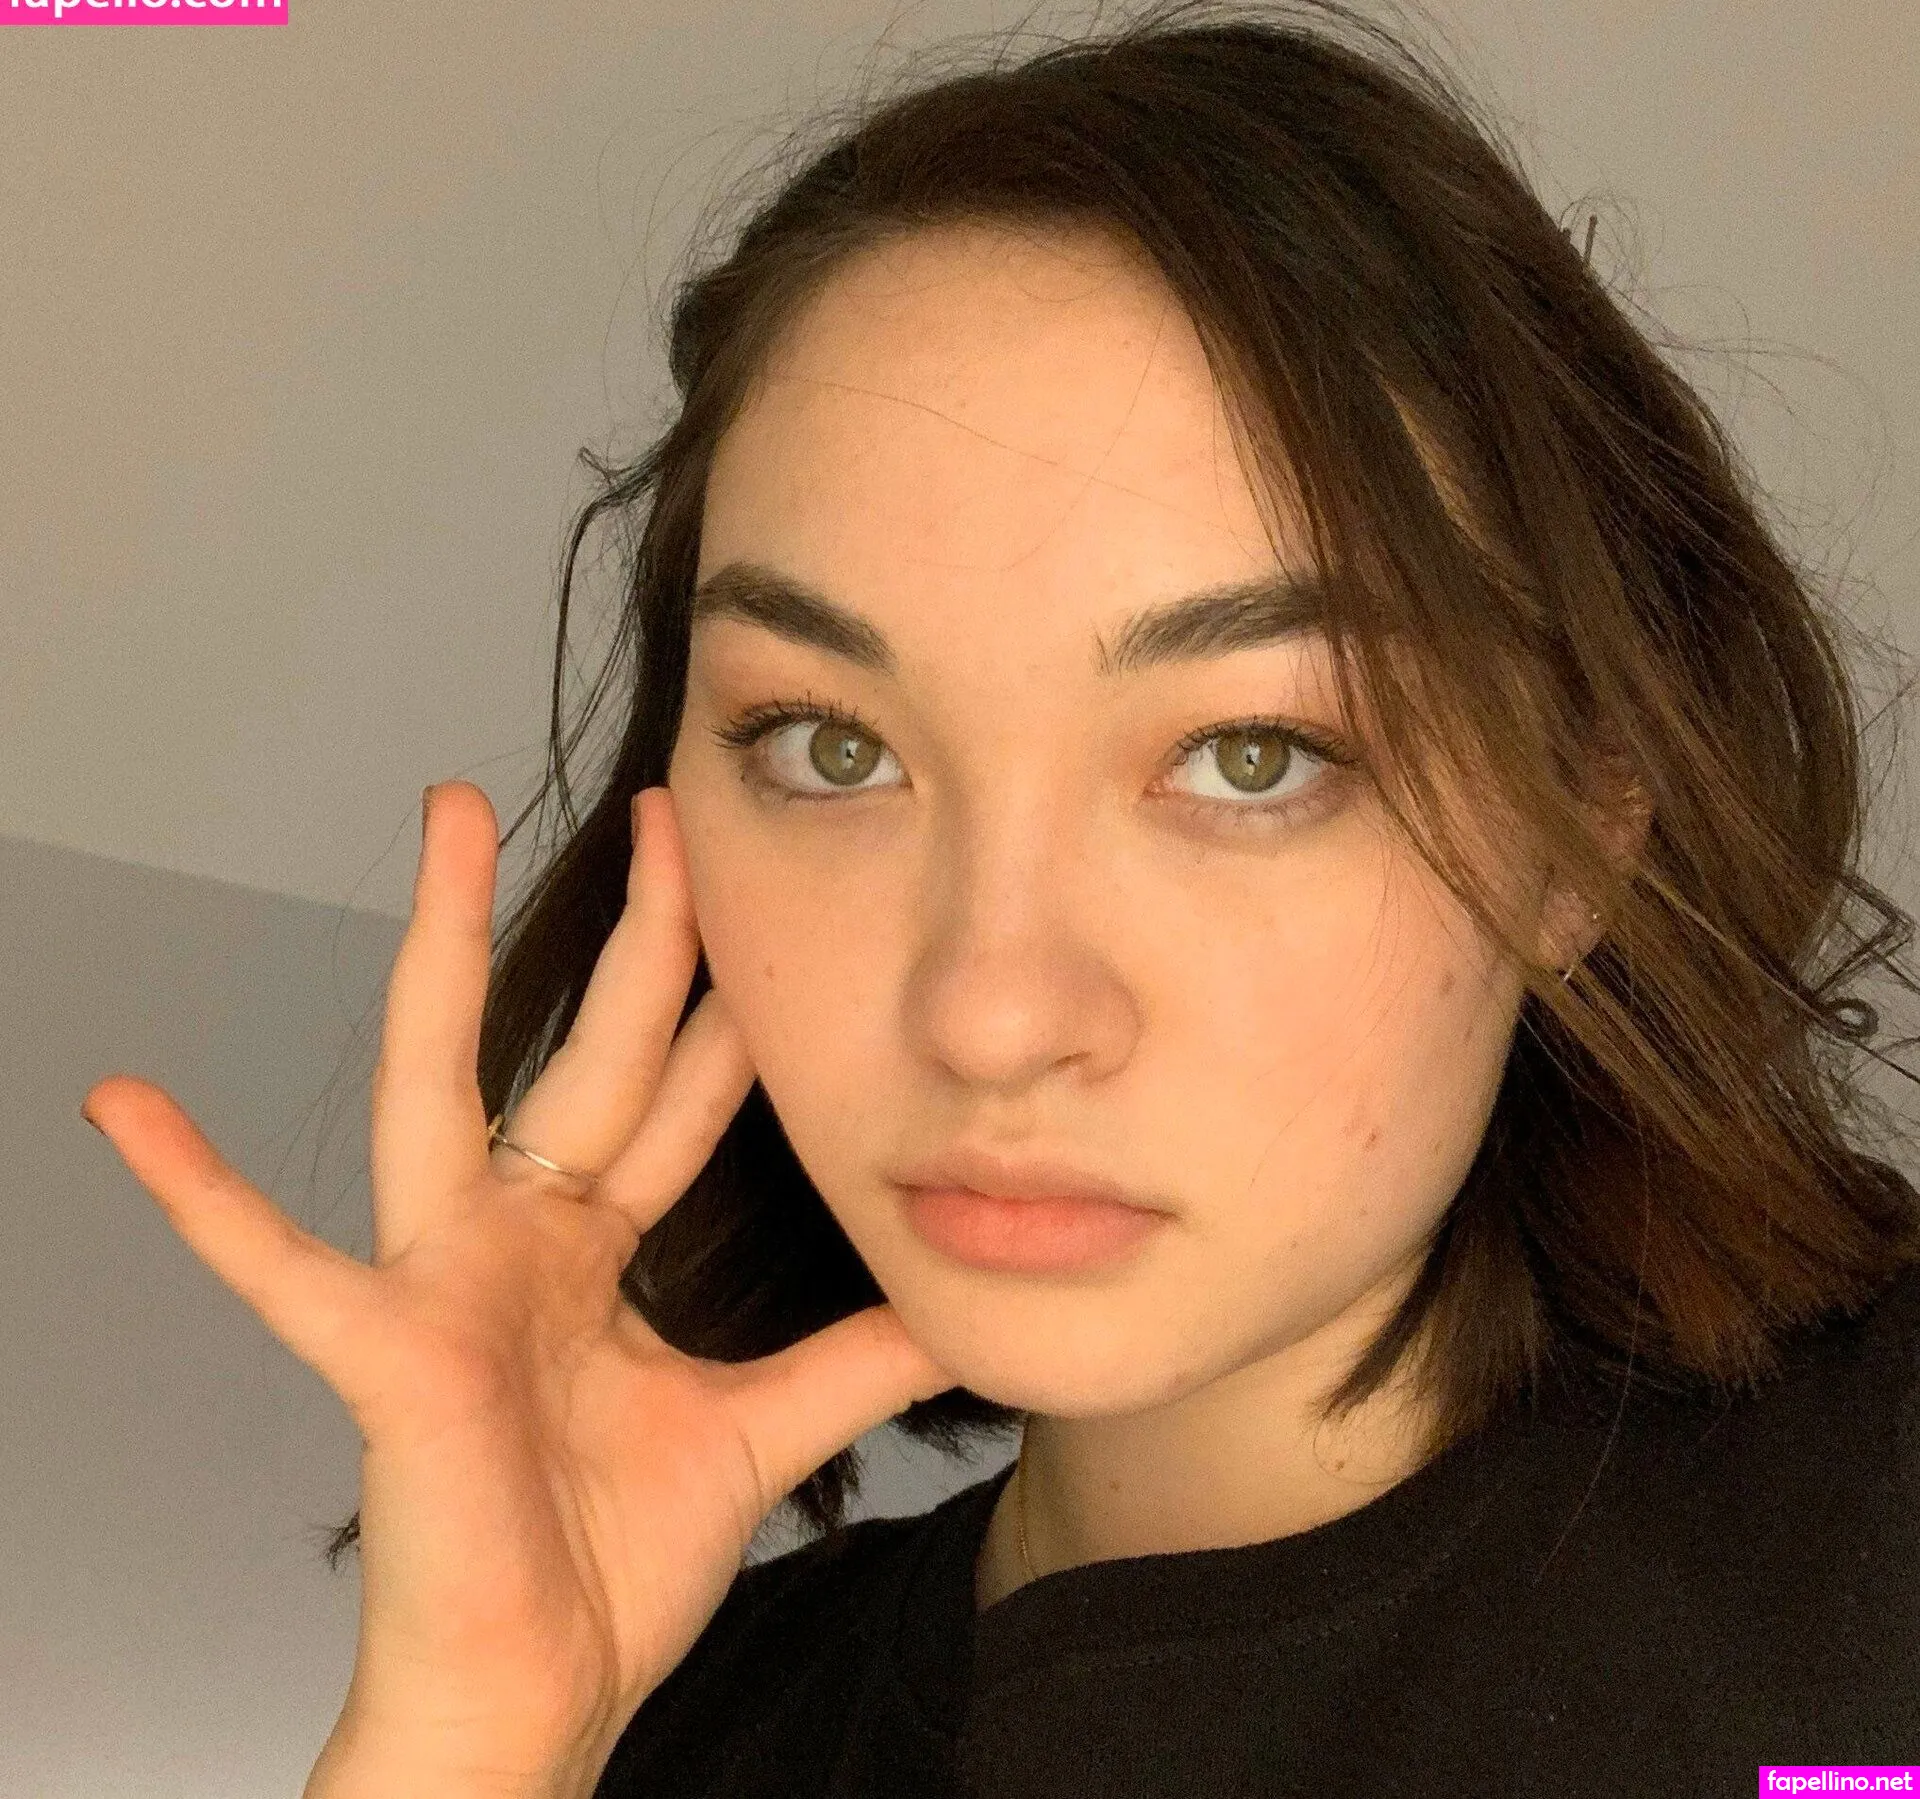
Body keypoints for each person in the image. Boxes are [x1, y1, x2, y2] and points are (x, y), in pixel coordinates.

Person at [80, 1, 1920, 1795]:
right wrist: (470, 1748)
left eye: (1250, 755)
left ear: (1584, 829)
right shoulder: (652, 1726)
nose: (989, 1009)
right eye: (831, 746)